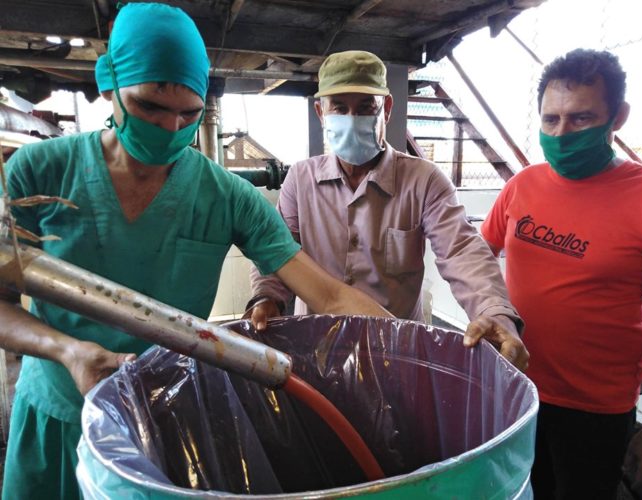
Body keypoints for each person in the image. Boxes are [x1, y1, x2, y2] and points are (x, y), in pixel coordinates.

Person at [0, 5, 393, 499]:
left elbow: (329, 295)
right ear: (109, 86)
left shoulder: (227, 197)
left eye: (189, 114)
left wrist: (419, 349)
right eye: (150, 108)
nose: (170, 128)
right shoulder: (39, 172)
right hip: (57, 417)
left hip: (160, 422)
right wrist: (68, 350)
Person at [246, 50, 529, 370]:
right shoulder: (301, 179)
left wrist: (493, 311)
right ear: (320, 112)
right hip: (314, 346)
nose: (351, 120)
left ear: (388, 109)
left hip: (393, 352)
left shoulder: (423, 180)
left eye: (366, 109)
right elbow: (279, 253)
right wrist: (267, 297)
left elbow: (461, 250)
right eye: (339, 108)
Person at [480, 48, 642, 499]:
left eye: (581, 119)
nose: (561, 134)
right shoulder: (522, 185)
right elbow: (475, 262)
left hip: (596, 409)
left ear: (617, 117)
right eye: (551, 120)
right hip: (515, 391)